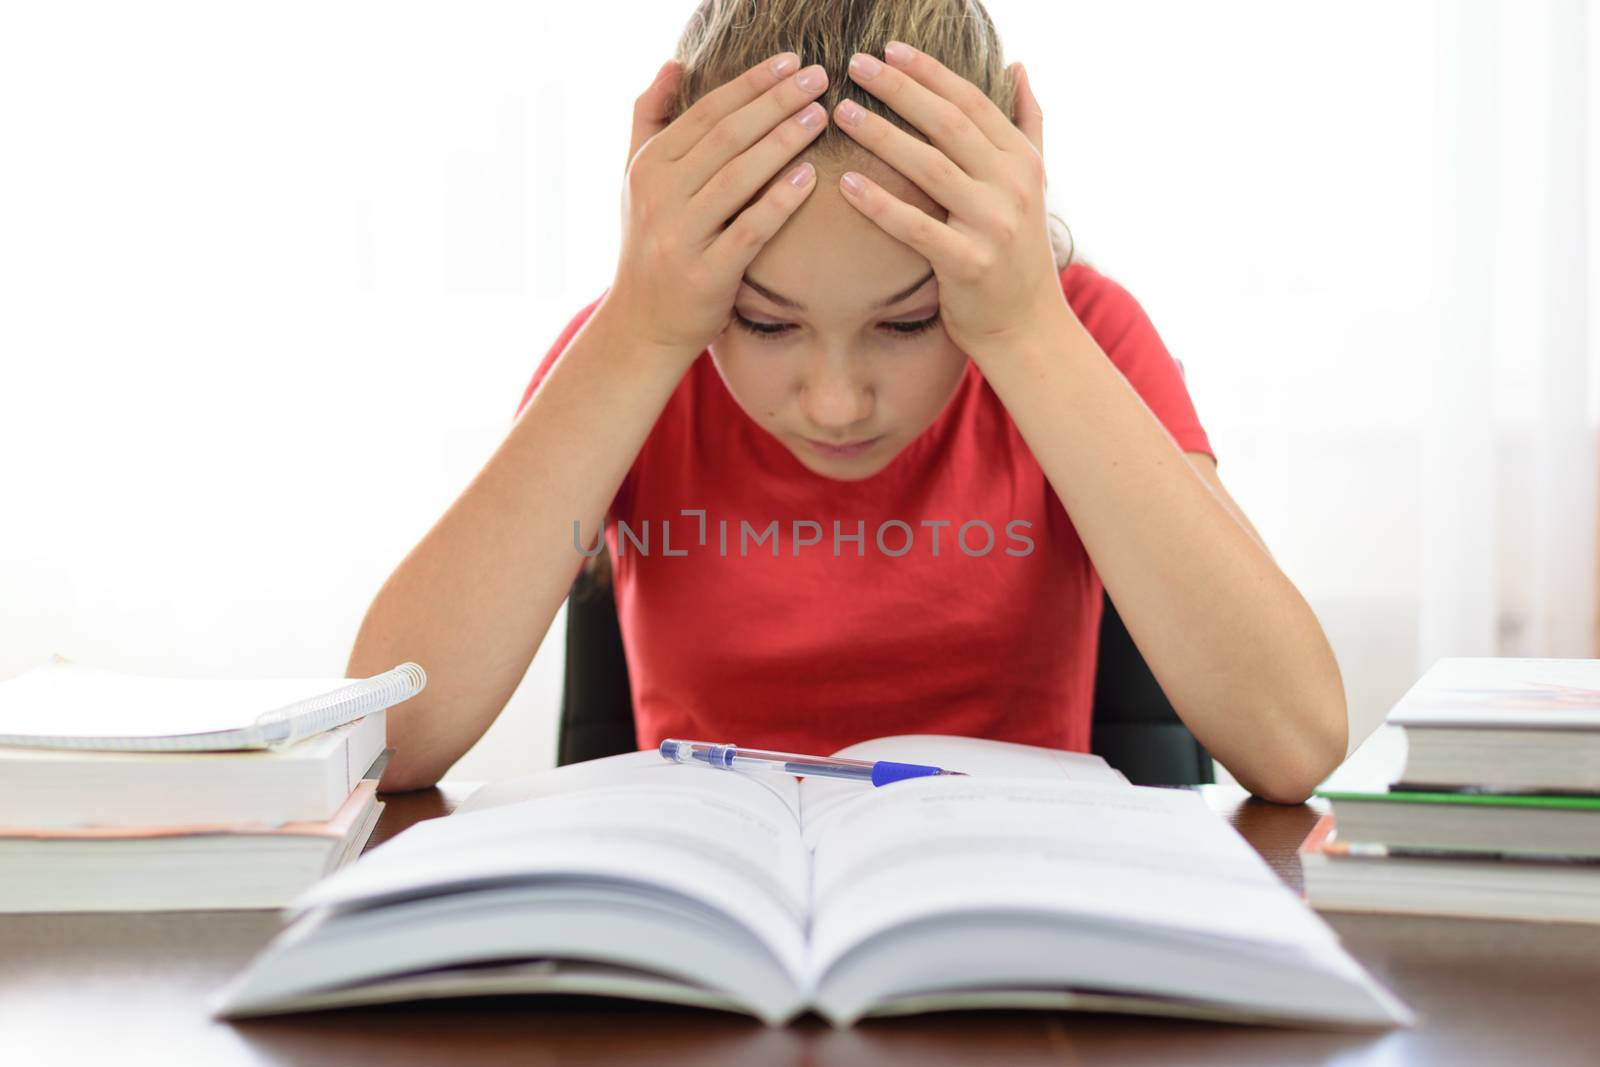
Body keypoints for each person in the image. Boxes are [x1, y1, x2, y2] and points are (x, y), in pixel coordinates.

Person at [350, 0, 1348, 803]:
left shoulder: (1071, 329)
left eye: (909, 322)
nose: (835, 403)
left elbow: (1296, 741)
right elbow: (388, 743)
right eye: (768, 323)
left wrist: (1026, 330)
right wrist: (639, 331)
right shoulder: (643, 341)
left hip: (1009, 937)